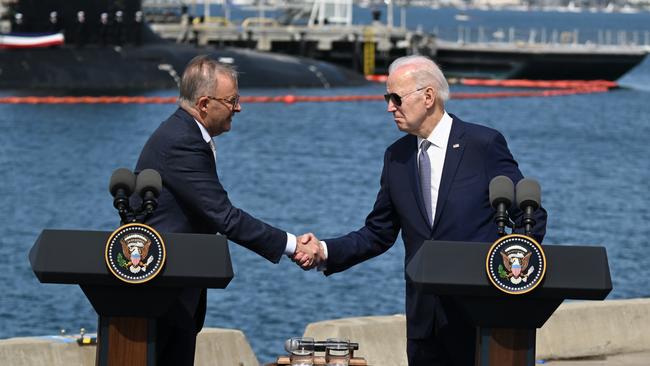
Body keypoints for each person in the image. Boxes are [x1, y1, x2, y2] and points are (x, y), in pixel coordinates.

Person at [294, 55, 547, 366]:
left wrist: (510, 277)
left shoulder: (483, 144)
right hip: (424, 324)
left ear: (428, 97)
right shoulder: (396, 157)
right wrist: (323, 251)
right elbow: (378, 232)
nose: (389, 107)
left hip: (481, 318)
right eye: (387, 98)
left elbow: (529, 216)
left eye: (396, 98)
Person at [134, 55, 322, 366]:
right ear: (205, 104)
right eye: (232, 100)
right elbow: (223, 216)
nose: (239, 108)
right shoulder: (183, 141)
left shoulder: (184, 133)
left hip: (173, 289)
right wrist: (292, 245)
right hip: (164, 292)